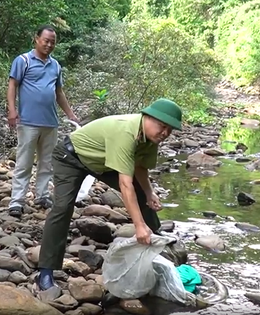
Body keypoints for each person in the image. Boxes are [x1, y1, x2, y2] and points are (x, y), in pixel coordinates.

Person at [36, 98, 182, 294]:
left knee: (140, 192)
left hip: (102, 161)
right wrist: (138, 226)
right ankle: (45, 272)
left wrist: (149, 193)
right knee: (62, 208)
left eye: (170, 130)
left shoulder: (150, 138)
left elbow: (139, 167)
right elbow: (125, 184)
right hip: (71, 157)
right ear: (146, 116)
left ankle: (155, 237)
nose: (165, 133)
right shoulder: (126, 132)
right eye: (162, 126)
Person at [6, 25, 78, 218]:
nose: (49, 44)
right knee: (24, 162)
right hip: (28, 121)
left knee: (47, 163)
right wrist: (12, 111)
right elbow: (12, 85)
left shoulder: (55, 65)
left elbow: (59, 92)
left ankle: (42, 196)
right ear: (36, 38)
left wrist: (70, 114)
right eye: (46, 40)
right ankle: (17, 201)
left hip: (50, 122)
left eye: (52, 42)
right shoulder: (23, 61)